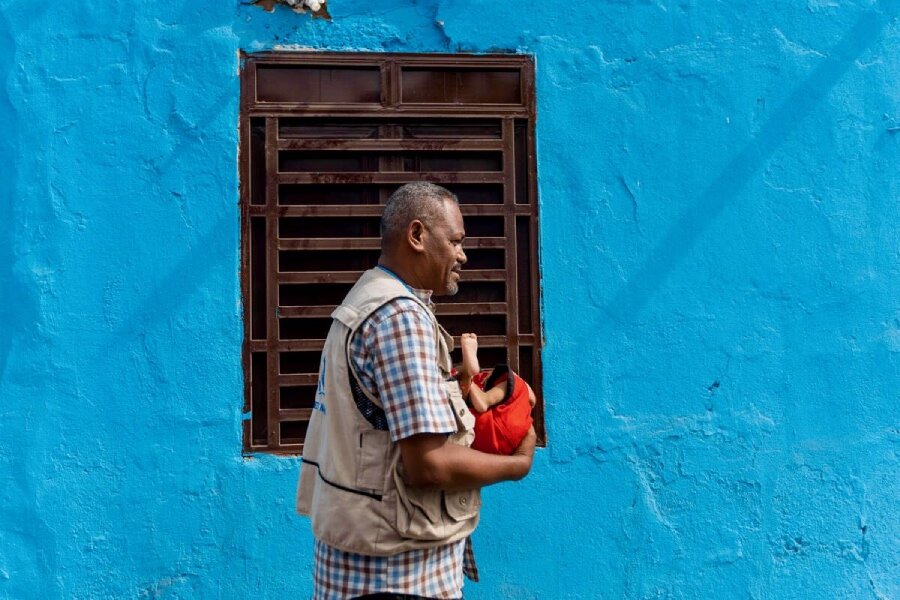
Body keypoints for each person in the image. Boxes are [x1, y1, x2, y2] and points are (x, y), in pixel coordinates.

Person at [296, 182, 537, 600]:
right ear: (417, 235)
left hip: (369, 567)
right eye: (456, 241)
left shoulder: (368, 297)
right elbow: (427, 465)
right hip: (396, 578)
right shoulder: (400, 319)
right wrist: (517, 464)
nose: (463, 255)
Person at [456, 333, 536, 456]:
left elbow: (482, 405)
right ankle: (468, 376)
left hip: (480, 436)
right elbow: (532, 400)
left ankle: (468, 375)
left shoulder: (512, 382)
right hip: (501, 444)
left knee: (517, 385)